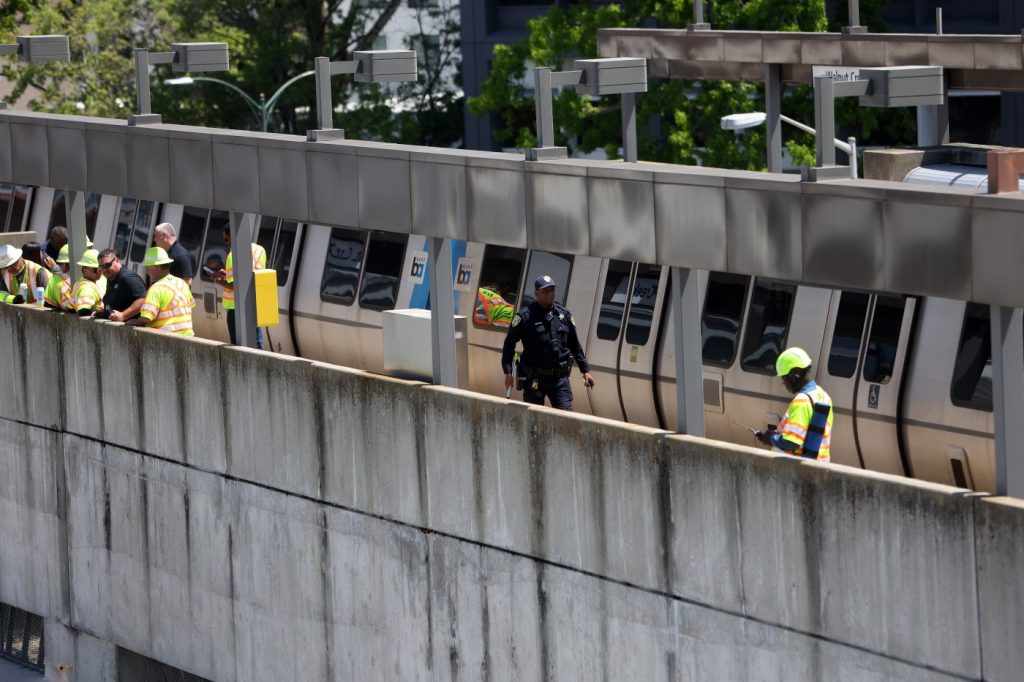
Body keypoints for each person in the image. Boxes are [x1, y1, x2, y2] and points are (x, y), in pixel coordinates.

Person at [501, 275, 595, 410]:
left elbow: (574, 344)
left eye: (552, 290)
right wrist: (508, 371)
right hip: (534, 379)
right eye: (545, 291)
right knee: (533, 420)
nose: (550, 294)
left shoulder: (564, 315)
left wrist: (585, 370)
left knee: (567, 418)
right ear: (536, 293)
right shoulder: (524, 317)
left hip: (559, 379)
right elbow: (509, 344)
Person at [755, 347, 834, 462]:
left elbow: (792, 441)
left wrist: (770, 438)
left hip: (799, 469)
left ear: (795, 375)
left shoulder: (802, 401)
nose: (784, 383)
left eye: (784, 378)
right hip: (820, 464)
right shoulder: (824, 395)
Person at [213, 224, 266, 348]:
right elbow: (250, 275)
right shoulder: (259, 250)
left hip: (236, 308)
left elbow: (236, 286)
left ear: (232, 236)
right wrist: (227, 275)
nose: (226, 242)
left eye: (226, 239)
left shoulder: (233, 255)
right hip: (255, 304)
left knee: (238, 346)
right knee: (257, 343)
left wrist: (217, 280)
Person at [126, 247, 195, 336]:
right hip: (188, 337)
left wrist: (136, 321)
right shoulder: (182, 283)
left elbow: (147, 318)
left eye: (147, 268)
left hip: (168, 338)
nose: (147, 271)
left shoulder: (156, 288)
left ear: (155, 268)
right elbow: (191, 305)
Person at [94, 249, 147, 322]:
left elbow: (143, 300)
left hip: (129, 330)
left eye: (107, 265)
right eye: (101, 267)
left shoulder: (128, 278)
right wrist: (104, 313)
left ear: (117, 260)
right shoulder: (111, 276)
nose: (105, 269)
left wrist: (123, 315)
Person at [71, 250, 104, 317]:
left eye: (101, 268)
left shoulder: (81, 282)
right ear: (85, 270)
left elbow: (71, 309)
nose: (100, 272)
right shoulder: (87, 288)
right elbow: (84, 311)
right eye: (96, 269)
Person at [43, 245, 73, 311]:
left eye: (60, 263)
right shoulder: (87, 276)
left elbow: (65, 307)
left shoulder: (56, 280)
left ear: (64, 264)